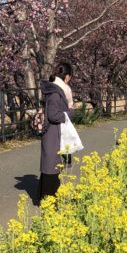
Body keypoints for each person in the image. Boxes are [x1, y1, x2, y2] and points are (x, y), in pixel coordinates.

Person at [39, 62, 75, 202]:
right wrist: (70, 113)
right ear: (67, 77)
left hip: (54, 132)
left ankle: (45, 198)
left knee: (51, 165)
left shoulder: (53, 89)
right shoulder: (56, 92)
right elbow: (53, 115)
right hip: (53, 132)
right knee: (52, 166)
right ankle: (49, 200)